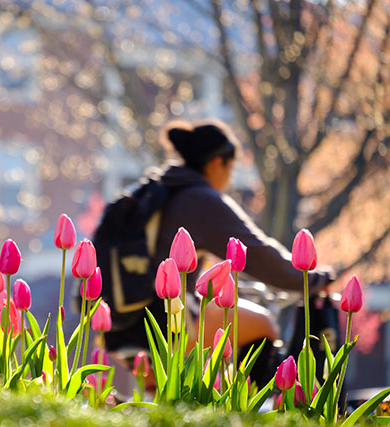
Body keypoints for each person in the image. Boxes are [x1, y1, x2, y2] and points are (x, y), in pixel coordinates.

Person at [104, 119, 334, 385]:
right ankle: (247, 408)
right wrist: (316, 279)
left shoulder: (152, 191)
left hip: (119, 323)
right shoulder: (200, 199)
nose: (229, 177)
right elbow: (260, 256)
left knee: (166, 391)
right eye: (231, 167)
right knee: (264, 325)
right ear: (217, 163)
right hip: (167, 319)